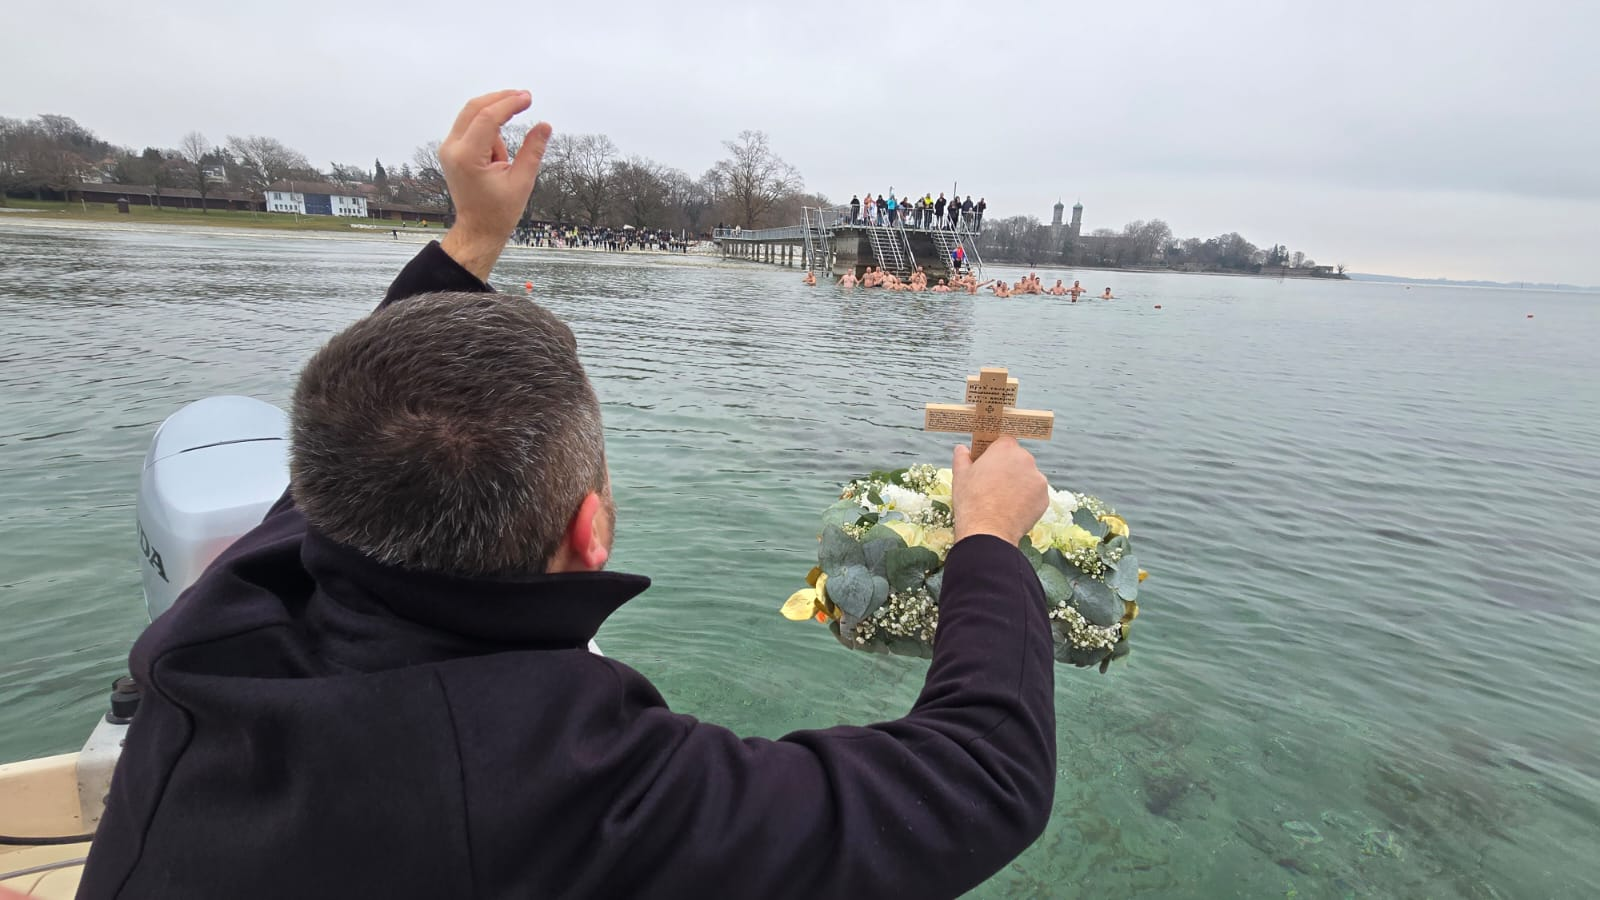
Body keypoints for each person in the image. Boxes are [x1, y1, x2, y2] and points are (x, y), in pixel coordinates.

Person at [76, 90, 1057, 900]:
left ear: (325, 485)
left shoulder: (234, 607)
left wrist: (471, 236)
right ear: (592, 532)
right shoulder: (575, 792)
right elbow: (983, 775)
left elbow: (378, 413)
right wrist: (987, 538)